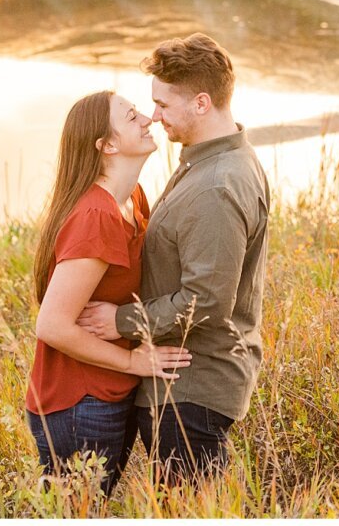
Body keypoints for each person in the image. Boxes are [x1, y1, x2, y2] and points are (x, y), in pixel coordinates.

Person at [77, 33, 270, 484]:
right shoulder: (210, 161)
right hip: (183, 384)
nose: (153, 116)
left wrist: (122, 321)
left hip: (190, 389)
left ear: (202, 103)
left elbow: (206, 300)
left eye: (162, 104)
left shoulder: (217, 186)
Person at [25, 90, 193, 496]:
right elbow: (51, 326)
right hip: (79, 403)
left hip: (109, 393)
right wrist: (134, 360)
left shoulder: (132, 199)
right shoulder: (96, 216)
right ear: (108, 145)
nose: (147, 119)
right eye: (132, 116)